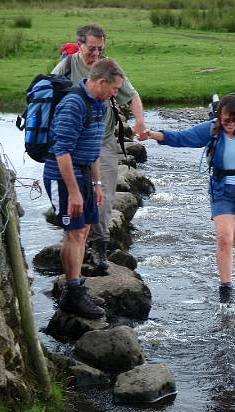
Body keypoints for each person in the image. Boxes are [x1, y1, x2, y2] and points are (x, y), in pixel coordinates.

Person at [141, 94, 235, 303]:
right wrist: (153, 134)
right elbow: (182, 138)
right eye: (226, 119)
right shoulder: (211, 129)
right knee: (224, 238)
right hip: (221, 191)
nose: (231, 124)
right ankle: (225, 289)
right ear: (219, 116)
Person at [52, 23, 147, 271]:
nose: (96, 54)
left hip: (102, 141)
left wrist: (139, 122)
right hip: (71, 143)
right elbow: (49, 98)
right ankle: (74, 251)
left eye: (100, 49)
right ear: (80, 44)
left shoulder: (109, 67)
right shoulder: (66, 67)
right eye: (92, 49)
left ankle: (99, 247)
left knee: (102, 196)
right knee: (73, 198)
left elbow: (131, 94)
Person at [43, 58, 125, 319]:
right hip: (64, 176)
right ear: (101, 82)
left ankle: (75, 289)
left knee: (83, 230)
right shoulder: (73, 104)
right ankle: (73, 293)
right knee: (74, 232)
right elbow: (61, 150)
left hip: (85, 176)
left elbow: (92, 151)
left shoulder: (100, 105)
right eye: (114, 89)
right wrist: (75, 191)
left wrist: (97, 184)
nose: (116, 94)